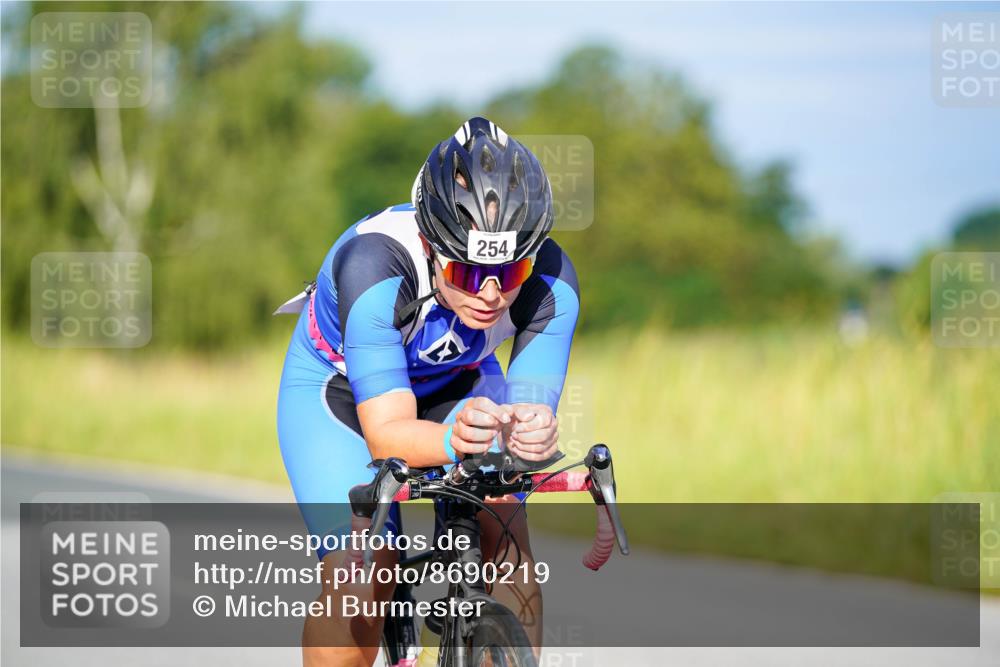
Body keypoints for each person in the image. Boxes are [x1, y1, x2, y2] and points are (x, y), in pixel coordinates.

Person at [276, 116, 580, 667]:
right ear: (430, 245)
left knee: (510, 554)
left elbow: (529, 412)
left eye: (511, 273)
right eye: (467, 274)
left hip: (459, 382)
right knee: (363, 575)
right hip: (340, 395)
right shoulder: (375, 265)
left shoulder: (553, 280)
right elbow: (388, 434)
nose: (491, 294)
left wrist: (530, 433)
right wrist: (453, 444)